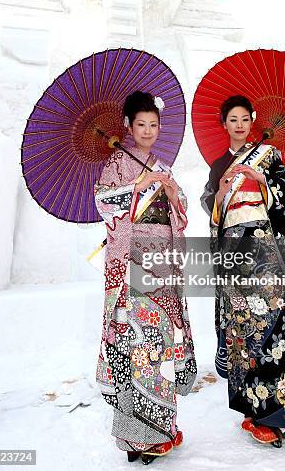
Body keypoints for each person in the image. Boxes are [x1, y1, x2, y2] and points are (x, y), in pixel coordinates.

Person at [200, 95, 285, 447]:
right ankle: (254, 409)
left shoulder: (268, 155)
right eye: (232, 119)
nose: (239, 124)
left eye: (245, 118)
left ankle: (279, 415)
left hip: (264, 249)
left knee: (274, 323)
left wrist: (260, 181)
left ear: (252, 121)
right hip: (234, 252)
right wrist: (220, 195)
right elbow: (212, 209)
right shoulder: (218, 166)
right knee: (243, 331)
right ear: (224, 124)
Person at [94, 90, 197, 465]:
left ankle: (160, 428)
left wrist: (172, 191)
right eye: (142, 125)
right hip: (133, 260)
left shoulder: (160, 164)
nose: (149, 131)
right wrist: (136, 187)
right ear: (128, 126)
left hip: (162, 263)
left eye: (154, 125)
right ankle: (135, 434)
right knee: (136, 340)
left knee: (160, 341)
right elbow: (103, 204)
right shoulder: (115, 165)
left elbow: (181, 212)